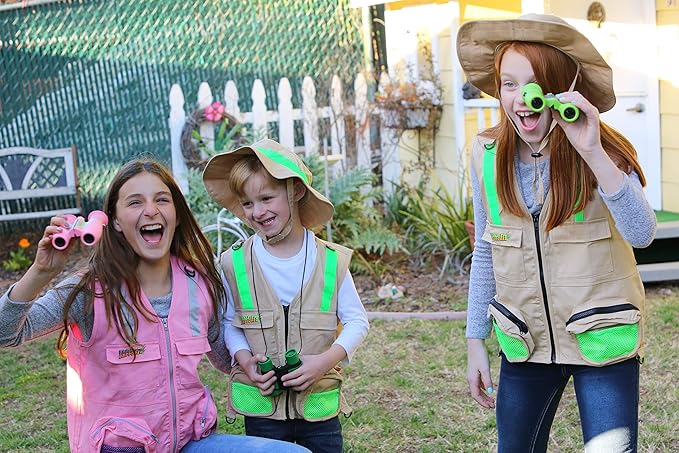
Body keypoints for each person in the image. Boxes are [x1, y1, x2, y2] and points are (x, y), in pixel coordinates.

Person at [0, 159, 310, 453]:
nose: (151, 210)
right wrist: (41, 272)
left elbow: (225, 356)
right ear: (115, 221)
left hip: (191, 442)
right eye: (135, 202)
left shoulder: (199, 284)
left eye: (162, 200)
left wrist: (263, 360)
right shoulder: (90, 291)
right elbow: (6, 333)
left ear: (176, 214)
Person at [456, 13, 657, 453]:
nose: (520, 99)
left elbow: (642, 233)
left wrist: (591, 150)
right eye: (508, 84)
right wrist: (475, 340)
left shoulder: (604, 151)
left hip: (600, 340)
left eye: (534, 85)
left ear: (561, 91)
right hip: (524, 341)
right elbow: (487, 251)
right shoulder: (487, 153)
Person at [202, 138, 370, 452]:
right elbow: (230, 325)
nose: (257, 212)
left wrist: (323, 362)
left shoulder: (330, 261)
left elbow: (357, 322)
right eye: (247, 203)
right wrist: (245, 361)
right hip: (262, 407)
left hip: (317, 407)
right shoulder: (234, 263)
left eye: (267, 198)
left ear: (296, 191)